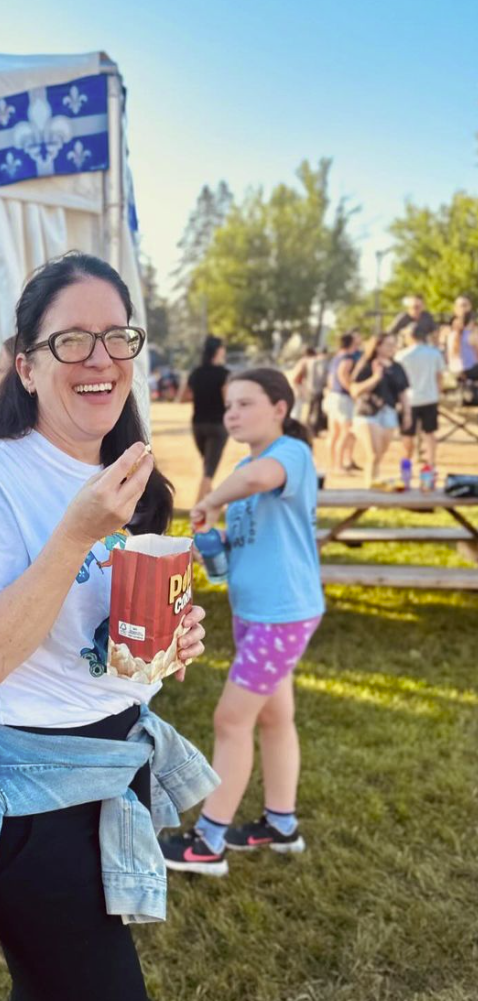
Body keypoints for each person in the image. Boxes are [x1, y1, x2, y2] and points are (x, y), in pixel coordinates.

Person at [0, 253, 214, 1001]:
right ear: (26, 364)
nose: (101, 359)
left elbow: (106, 636)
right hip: (23, 800)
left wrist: (170, 640)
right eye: (72, 341)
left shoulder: (131, 474)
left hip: (112, 770)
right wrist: (76, 532)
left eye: (117, 337)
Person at [159, 368, 324, 876]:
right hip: (258, 614)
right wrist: (217, 544)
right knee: (273, 718)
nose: (232, 413)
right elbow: (251, 536)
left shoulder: (288, 455)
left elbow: (256, 480)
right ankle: (280, 825)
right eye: (229, 405)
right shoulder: (246, 465)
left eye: (245, 403)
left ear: (280, 408)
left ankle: (208, 843)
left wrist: (209, 499)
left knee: (230, 720)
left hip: (282, 616)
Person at [350, 334, 411, 488]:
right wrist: (376, 378)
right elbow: (355, 390)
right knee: (373, 454)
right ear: (378, 346)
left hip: (389, 412)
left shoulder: (397, 367)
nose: (392, 348)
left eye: (393, 344)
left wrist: (407, 413)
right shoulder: (366, 364)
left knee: (380, 455)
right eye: (388, 344)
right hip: (368, 411)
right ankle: (370, 489)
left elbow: (403, 392)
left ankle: (374, 485)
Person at [178, 334, 230, 502]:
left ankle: (210, 500)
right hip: (217, 425)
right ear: (218, 351)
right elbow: (227, 401)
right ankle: (198, 510)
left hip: (198, 425)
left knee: (208, 465)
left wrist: (202, 394)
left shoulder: (196, 373)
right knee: (209, 472)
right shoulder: (224, 374)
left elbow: (183, 398)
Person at [398, 319, 446, 471]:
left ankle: (407, 462)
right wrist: (438, 392)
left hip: (409, 399)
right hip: (430, 397)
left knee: (408, 434)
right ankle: (431, 463)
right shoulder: (434, 353)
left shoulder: (402, 355)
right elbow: (440, 376)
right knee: (429, 432)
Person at [325, 331, 362, 474]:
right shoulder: (348, 358)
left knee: (334, 433)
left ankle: (336, 463)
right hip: (344, 398)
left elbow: (330, 378)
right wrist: (352, 391)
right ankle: (339, 465)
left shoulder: (337, 356)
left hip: (334, 396)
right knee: (346, 432)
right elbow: (343, 375)